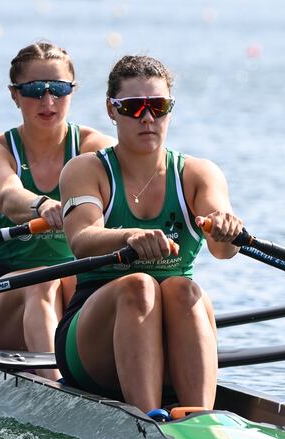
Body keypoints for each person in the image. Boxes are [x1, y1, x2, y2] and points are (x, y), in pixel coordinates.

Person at [56, 55, 243, 414]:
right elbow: (81, 240)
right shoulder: (85, 169)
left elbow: (222, 251)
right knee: (138, 285)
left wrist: (227, 228)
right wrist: (130, 237)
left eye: (158, 107)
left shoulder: (199, 174)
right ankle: (146, 422)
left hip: (174, 327)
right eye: (133, 107)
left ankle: (198, 420)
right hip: (93, 345)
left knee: (183, 288)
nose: (147, 118)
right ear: (112, 110)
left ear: (170, 110)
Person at [0, 41, 115, 380]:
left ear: (72, 91)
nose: (48, 102)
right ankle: (54, 387)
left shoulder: (99, 149)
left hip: (74, 286)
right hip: (3, 296)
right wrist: (41, 205)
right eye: (35, 90)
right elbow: (7, 195)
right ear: (14, 95)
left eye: (59, 90)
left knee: (98, 283)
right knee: (44, 284)